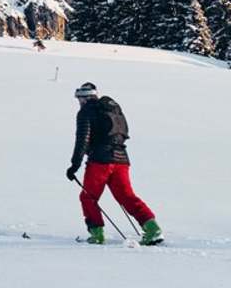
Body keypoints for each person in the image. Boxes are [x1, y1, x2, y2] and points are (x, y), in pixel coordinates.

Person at [66, 82, 164, 245]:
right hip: (121, 159)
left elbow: (82, 139)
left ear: (85, 98)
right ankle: (152, 229)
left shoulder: (86, 112)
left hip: (100, 161)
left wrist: (74, 165)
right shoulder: (112, 109)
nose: (79, 102)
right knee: (126, 196)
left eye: (80, 99)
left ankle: (97, 234)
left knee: (88, 197)